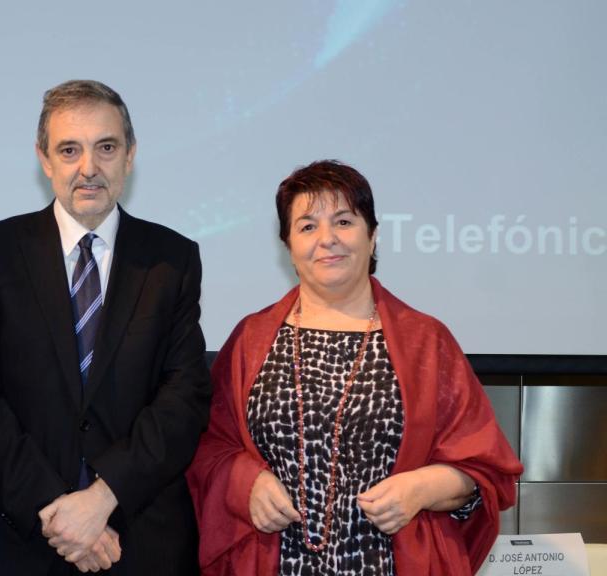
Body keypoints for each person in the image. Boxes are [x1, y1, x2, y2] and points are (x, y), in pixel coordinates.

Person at [186, 160, 523, 575]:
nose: (327, 239)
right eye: (307, 226)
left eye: (344, 221)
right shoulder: (250, 341)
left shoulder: (427, 342)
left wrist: (421, 488)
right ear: (288, 246)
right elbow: (205, 446)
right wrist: (244, 483)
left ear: (373, 235)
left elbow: (484, 471)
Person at [0, 80, 211, 575]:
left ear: (130, 156)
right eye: (69, 150)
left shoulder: (172, 259)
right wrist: (60, 512)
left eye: (106, 147)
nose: (89, 168)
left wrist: (102, 498)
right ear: (44, 160)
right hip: (10, 539)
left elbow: (183, 398)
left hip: (136, 541)